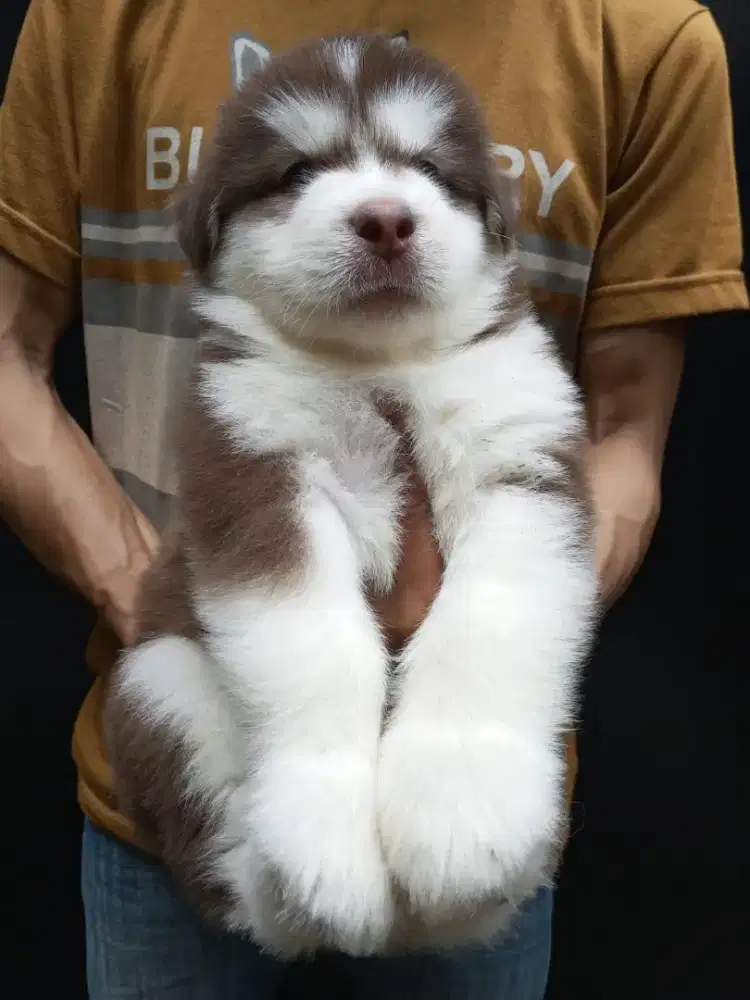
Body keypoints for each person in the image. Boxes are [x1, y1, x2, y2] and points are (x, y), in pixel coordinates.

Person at [0, 0, 745, 997]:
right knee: (168, 685)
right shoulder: (92, 17)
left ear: (492, 227)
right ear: (212, 234)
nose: (383, 207)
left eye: (431, 170)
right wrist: (299, 735)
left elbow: (616, 454)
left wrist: (468, 719)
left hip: (474, 822)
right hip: (207, 789)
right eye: (297, 175)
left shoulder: (640, 34)